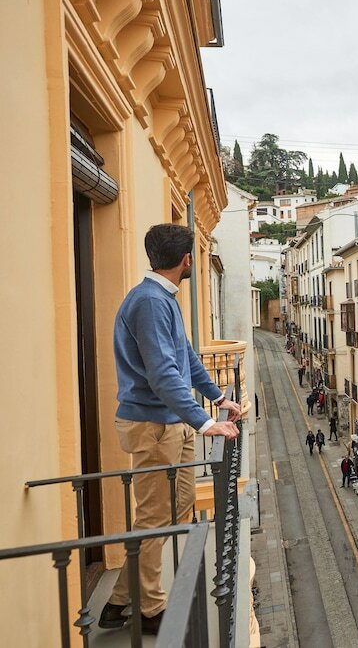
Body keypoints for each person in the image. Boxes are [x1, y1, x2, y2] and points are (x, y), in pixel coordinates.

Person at [99, 224, 241, 636]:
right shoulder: (148, 303)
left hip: (171, 423)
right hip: (152, 426)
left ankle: (121, 598)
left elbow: (186, 359)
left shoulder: (164, 299)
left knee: (178, 507)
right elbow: (163, 374)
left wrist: (218, 397)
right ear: (186, 260)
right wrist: (206, 423)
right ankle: (149, 608)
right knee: (153, 518)